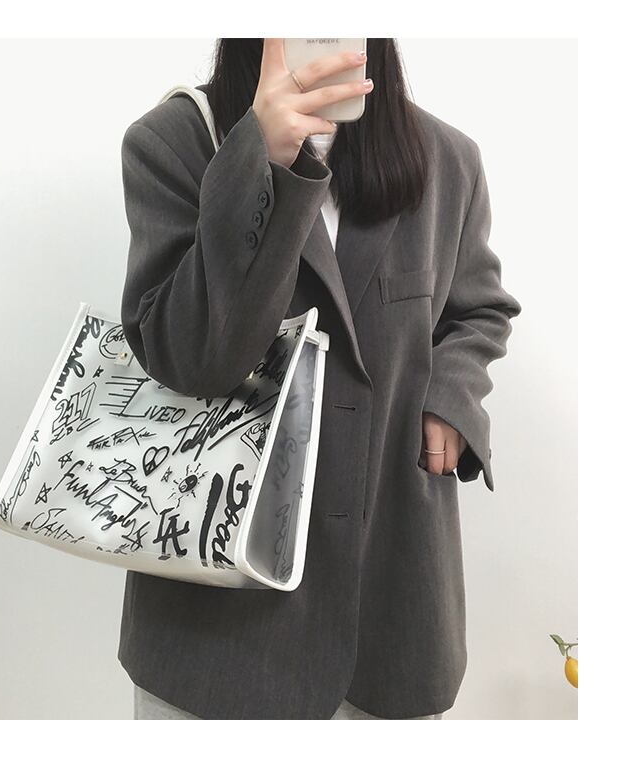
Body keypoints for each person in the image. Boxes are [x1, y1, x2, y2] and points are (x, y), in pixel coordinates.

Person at [117, 38, 522, 720]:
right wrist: (258, 162)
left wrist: (451, 395)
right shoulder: (175, 142)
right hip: (216, 628)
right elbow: (190, 360)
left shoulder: (446, 158)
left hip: (391, 596)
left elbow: (478, 309)